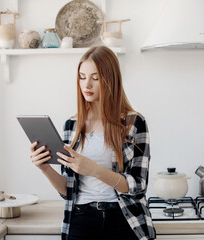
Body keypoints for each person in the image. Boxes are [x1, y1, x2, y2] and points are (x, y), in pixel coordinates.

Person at [29, 46, 156, 240]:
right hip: (81, 219)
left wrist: (94, 169)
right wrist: (44, 168)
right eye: (82, 76)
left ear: (111, 80)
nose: (87, 84)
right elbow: (68, 190)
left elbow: (138, 186)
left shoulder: (133, 123)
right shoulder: (72, 125)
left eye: (95, 78)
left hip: (124, 218)